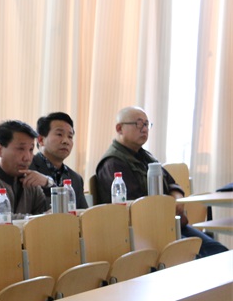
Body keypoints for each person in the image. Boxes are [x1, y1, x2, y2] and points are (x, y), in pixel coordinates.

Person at [96, 106, 226, 258]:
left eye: (147, 124)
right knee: (198, 257)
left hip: (169, 224)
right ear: (119, 128)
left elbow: (171, 182)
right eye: (138, 124)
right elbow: (136, 207)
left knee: (219, 252)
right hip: (144, 233)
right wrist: (168, 207)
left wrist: (177, 199)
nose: (144, 129)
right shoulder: (113, 163)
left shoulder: (144, 156)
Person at [29, 112, 88, 210]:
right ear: (41, 140)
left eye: (70, 137)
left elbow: (83, 214)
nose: (66, 141)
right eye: (59, 134)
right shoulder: (29, 169)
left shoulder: (76, 179)